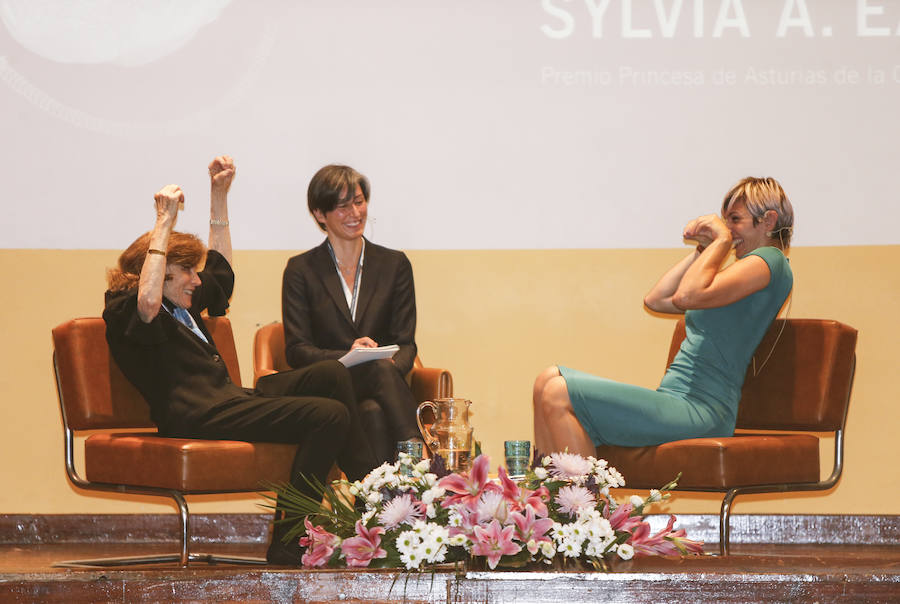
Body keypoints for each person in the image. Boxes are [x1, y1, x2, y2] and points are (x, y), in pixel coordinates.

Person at [103, 156, 378, 566]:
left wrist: (218, 195)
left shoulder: (186, 305)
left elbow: (223, 273)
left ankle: (375, 495)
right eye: (187, 273)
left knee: (332, 372)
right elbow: (148, 300)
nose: (198, 281)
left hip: (227, 398)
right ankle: (291, 539)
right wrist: (164, 222)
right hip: (197, 413)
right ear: (160, 273)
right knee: (329, 415)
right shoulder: (126, 307)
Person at [533, 177, 794, 456]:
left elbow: (686, 296)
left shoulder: (772, 260)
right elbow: (656, 299)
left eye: (735, 219)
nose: (728, 229)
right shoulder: (740, 277)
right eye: (725, 221)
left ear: (768, 221)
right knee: (546, 381)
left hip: (704, 409)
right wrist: (704, 250)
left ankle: (581, 499)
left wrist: (720, 243)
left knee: (557, 392)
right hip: (675, 400)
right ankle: (557, 497)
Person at [281, 164, 421, 464]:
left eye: (358, 202)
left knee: (373, 411)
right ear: (320, 214)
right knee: (374, 372)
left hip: (382, 391)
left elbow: (406, 343)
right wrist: (348, 355)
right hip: (331, 386)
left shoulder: (394, 265)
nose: (355, 213)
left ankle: (376, 506)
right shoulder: (301, 270)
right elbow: (296, 350)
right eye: (342, 207)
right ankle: (419, 457)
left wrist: (386, 369)